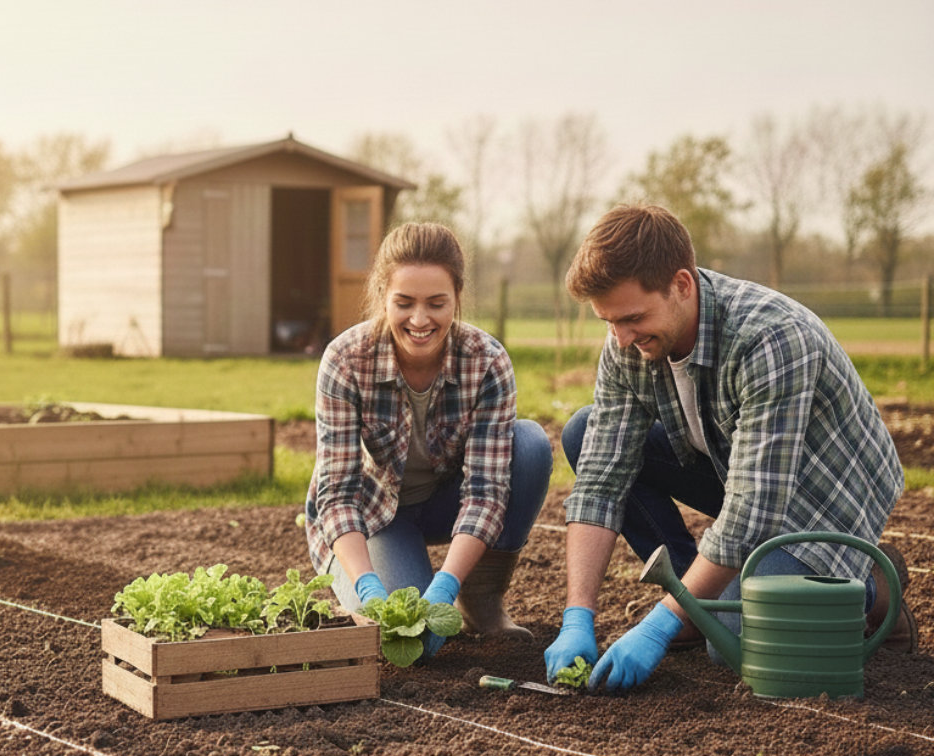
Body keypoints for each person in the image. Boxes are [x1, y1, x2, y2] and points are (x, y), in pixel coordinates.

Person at [544, 203, 915, 691]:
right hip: (737, 465)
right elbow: (600, 478)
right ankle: (690, 604)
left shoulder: (771, 337)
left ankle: (871, 581)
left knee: (736, 643)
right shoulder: (628, 342)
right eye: (609, 322)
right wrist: (578, 615)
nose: (621, 338)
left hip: (826, 490)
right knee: (584, 431)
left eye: (632, 318)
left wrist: (657, 626)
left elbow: (752, 510)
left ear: (681, 284)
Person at [304, 221, 553, 659]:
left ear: (457, 297)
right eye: (404, 303)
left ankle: (480, 599)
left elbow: (486, 493)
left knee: (529, 445)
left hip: (446, 501)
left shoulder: (486, 360)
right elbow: (339, 495)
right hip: (376, 516)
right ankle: (368, 580)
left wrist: (448, 584)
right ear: (383, 296)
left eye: (437, 303)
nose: (420, 320)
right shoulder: (346, 360)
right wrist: (366, 583)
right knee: (409, 641)